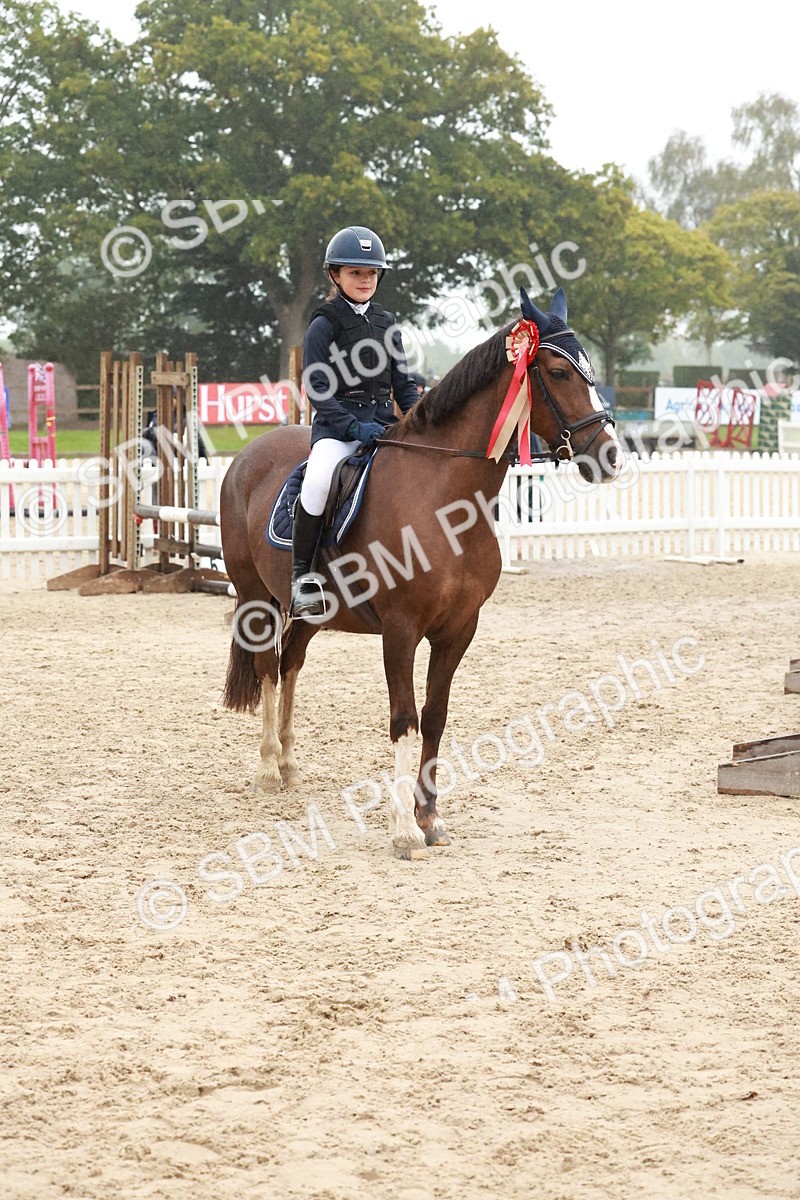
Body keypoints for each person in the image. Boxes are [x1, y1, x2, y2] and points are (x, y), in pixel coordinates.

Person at [291, 224, 420, 617]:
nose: (365, 281)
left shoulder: (386, 321)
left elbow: (403, 383)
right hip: (339, 430)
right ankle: (302, 578)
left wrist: (417, 418)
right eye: (355, 273)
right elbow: (318, 390)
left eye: (371, 273)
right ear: (336, 275)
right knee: (316, 482)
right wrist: (351, 427)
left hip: (384, 427)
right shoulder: (323, 324)